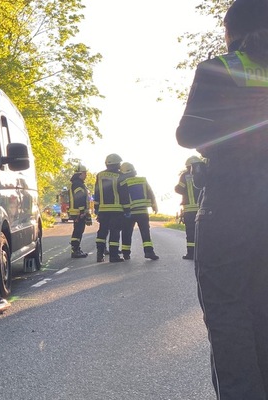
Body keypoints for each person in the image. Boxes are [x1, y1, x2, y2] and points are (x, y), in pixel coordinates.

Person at [176, 0, 268, 398]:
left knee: (229, 313)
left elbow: (189, 135)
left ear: (233, 31)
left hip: (232, 202)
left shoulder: (222, 68)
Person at [118, 162, 159, 260]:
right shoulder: (142, 180)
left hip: (129, 212)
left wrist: (124, 210)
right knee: (145, 232)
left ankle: (126, 253)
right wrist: (154, 206)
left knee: (127, 232)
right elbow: (151, 193)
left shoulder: (123, 183)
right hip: (143, 211)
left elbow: (122, 198)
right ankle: (149, 252)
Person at [93, 153, 129, 263]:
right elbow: (124, 194)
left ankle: (100, 254)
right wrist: (127, 209)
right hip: (116, 210)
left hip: (103, 210)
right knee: (114, 232)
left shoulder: (100, 175)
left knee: (102, 232)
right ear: (117, 164)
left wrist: (96, 207)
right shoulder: (121, 176)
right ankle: (114, 256)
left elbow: (97, 192)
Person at [175, 156, 204, 260]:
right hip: (202, 209)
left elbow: (179, 189)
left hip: (189, 210)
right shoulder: (204, 175)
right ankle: (203, 253)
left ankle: (191, 253)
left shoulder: (185, 175)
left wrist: (176, 188)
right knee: (203, 231)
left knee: (190, 232)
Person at [68, 164, 90, 258]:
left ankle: (76, 249)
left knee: (77, 230)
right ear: (80, 173)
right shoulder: (78, 184)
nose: (86, 175)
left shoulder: (76, 183)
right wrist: (82, 212)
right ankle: (75, 250)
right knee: (78, 231)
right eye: (85, 173)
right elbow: (79, 198)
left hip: (76, 212)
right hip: (78, 212)